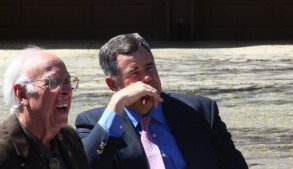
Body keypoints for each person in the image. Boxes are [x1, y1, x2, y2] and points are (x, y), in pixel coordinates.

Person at [75, 33, 248, 169]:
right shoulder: (94, 124)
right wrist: (116, 105)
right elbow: (87, 166)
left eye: (150, 68)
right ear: (113, 84)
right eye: (135, 73)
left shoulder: (200, 111)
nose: (148, 78)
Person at [0, 47, 90, 169]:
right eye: (53, 82)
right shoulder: (4, 151)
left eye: (67, 81)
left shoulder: (69, 137)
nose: (67, 91)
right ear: (22, 93)